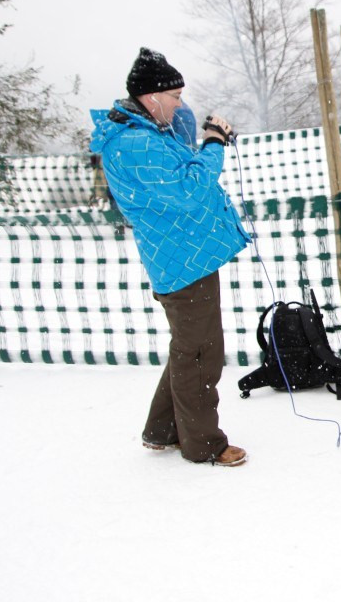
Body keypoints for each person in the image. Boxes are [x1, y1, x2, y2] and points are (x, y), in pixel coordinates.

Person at [89, 48, 250, 467]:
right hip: (181, 262)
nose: (180, 104)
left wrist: (199, 137)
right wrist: (213, 143)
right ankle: (203, 444)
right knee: (200, 353)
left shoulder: (147, 134)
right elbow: (189, 190)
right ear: (152, 95)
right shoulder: (134, 143)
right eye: (175, 95)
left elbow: (181, 176)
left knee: (189, 346)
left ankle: (161, 430)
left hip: (187, 256)